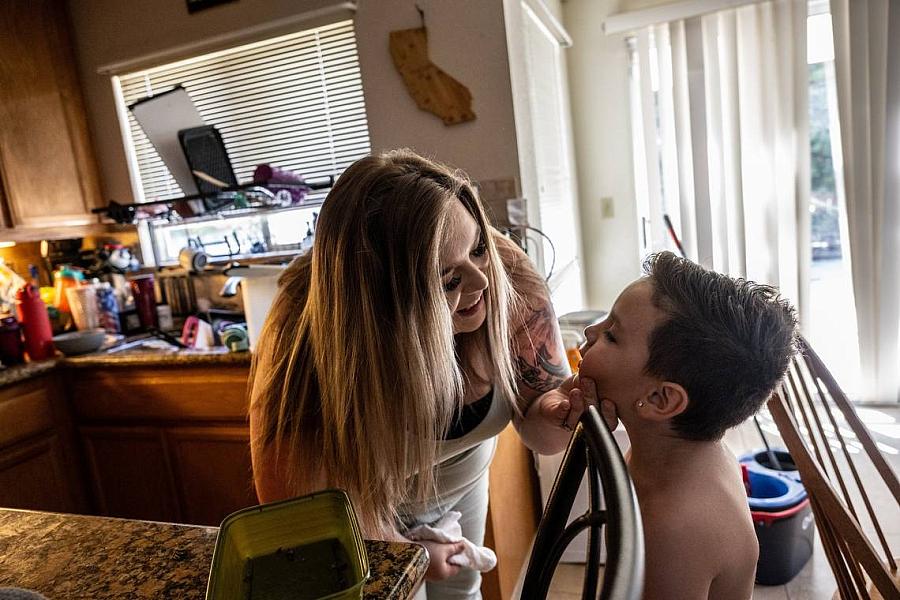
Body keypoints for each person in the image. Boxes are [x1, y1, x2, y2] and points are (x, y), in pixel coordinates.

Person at [249, 149, 584, 599]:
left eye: (478, 248)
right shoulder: (303, 330)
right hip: (359, 509)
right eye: (448, 279)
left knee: (461, 593)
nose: (482, 281)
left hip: (462, 484)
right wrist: (406, 553)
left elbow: (544, 433)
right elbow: (296, 507)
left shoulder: (509, 278)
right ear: (387, 300)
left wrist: (563, 410)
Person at [571, 251, 797, 600]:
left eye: (612, 335)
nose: (590, 330)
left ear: (661, 400)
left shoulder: (674, 528)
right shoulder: (677, 450)